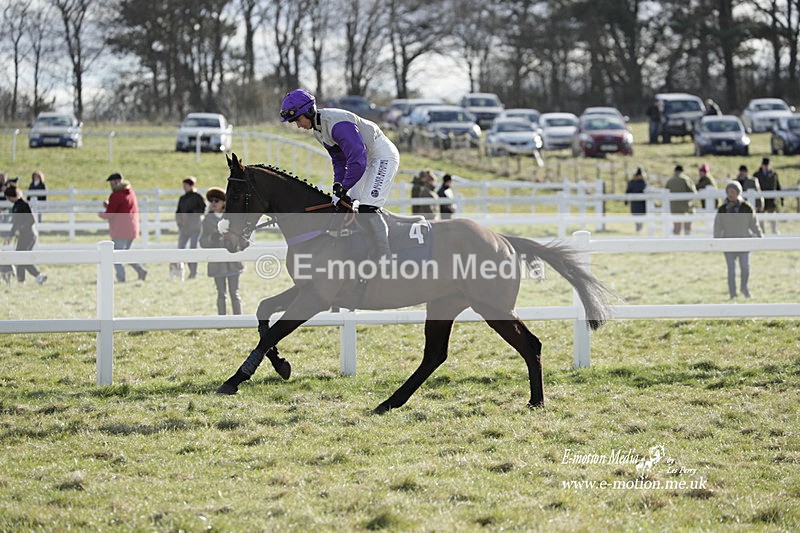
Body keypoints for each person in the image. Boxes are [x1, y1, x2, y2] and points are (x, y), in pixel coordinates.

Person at [280, 88, 399, 258]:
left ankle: (384, 255)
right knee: (349, 204)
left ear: (308, 111)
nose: (298, 125)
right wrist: (338, 184)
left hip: (381, 156)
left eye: (298, 119)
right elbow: (339, 160)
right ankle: (361, 250)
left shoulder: (337, 124)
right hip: (364, 159)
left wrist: (345, 186)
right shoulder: (319, 131)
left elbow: (357, 158)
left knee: (368, 208)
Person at [714, 181, 763, 299]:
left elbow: (753, 224)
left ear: (738, 193)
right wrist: (717, 241)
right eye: (728, 192)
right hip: (728, 243)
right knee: (731, 270)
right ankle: (733, 293)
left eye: (733, 192)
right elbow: (718, 226)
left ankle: (744, 288)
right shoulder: (722, 209)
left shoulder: (746, 208)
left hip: (744, 241)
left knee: (745, 267)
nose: (730, 194)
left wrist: (760, 236)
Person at [200, 187, 243, 315]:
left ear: (224, 202)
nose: (213, 203)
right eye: (211, 201)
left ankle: (238, 319)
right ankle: (222, 319)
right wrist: (211, 238)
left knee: (234, 292)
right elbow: (202, 242)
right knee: (220, 293)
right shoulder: (207, 220)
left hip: (233, 261)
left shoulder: (232, 218)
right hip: (217, 263)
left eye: (216, 200)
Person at [98, 172, 147, 282]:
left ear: (116, 182)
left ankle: (121, 277)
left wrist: (101, 214)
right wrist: (108, 205)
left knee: (114, 255)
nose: (110, 185)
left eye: (111, 182)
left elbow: (110, 213)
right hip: (132, 228)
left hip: (120, 230)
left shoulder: (116, 195)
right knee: (125, 253)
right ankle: (140, 270)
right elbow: (123, 207)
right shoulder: (130, 192)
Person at [2, 185, 46, 285]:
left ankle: (38, 276)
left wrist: (21, 229)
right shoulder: (16, 206)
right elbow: (15, 224)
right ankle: (22, 281)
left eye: (8, 197)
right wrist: (10, 236)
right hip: (23, 236)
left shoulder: (24, 205)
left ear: (11, 196)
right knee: (20, 258)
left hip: (29, 236)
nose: (8, 200)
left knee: (22, 258)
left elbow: (31, 220)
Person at [175, 176, 206, 279]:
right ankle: (181, 270)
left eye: (185, 185)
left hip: (195, 227)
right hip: (184, 228)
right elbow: (178, 212)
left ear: (191, 185)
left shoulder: (198, 197)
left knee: (193, 249)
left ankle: (193, 272)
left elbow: (202, 210)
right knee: (181, 248)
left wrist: (190, 214)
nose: (184, 187)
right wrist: (179, 222)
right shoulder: (182, 198)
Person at [752, 157, 782, 234]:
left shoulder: (774, 174)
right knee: (761, 220)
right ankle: (762, 233)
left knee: (773, 218)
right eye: (764, 165)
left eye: (767, 165)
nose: (765, 166)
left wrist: (781, 198)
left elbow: (778, 186)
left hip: (771, 200)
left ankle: (774, 232)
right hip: (761, 200)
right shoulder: (757, 175)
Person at [664, 164, 697, 235]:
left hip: (674, 208)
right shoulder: (686, 179)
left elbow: (665, 192)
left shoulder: (670, 180)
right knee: (687, 227)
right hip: (686, 208)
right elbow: (694, 193)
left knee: (676, 227)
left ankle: (675, 243)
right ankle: (688, 241)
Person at [625, 167, 648, 233]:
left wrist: (626, 201)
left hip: (636, 202)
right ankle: (639, 228)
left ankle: (638, 228)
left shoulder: (632, 182)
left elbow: (628, 191)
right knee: (639, 216)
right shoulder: (643, 182)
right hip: (640, 203)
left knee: (637, 216)